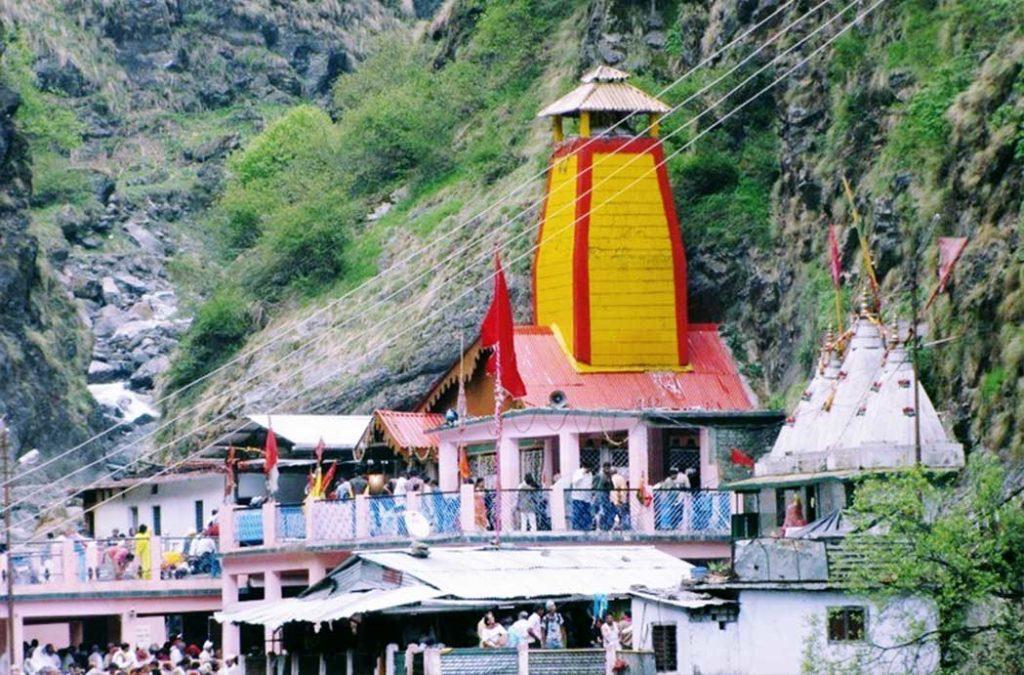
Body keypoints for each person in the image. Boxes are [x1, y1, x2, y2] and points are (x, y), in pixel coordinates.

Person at [570, 465, 594, 530]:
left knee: (587, 515)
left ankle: (586, 529)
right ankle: (576, 529)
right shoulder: (578, 472)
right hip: (578, 498)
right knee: (577, 514)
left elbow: (590, 484)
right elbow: (574, 482)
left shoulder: (590, 474)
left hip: (587, 498)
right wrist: (582, 474)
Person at [594, 463, 616, 530]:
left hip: (606, 496)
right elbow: (601, 485)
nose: (608, 470)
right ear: (603, 468)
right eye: (606, 468)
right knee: (601, 511)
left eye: (608, 468)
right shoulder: (601, 476)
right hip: (601, 496)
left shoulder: (608, 476)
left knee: (605, 511)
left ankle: (604, 526)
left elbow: (612, 487)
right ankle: (599, 526)